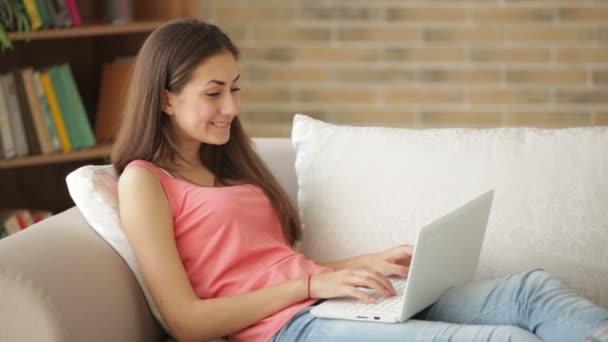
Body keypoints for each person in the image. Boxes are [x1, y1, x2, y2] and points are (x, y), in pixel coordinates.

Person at [112, 18, 608, 342]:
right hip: (291, 329)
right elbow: (186, 321)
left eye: (235, 89)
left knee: (530, 291)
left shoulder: (228, 166)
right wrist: (312, 284)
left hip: (327, 303)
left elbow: (270, 266)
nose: (232, 108)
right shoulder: (145, 182)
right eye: (214, 92)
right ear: (165, 98)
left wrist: (359, 265)